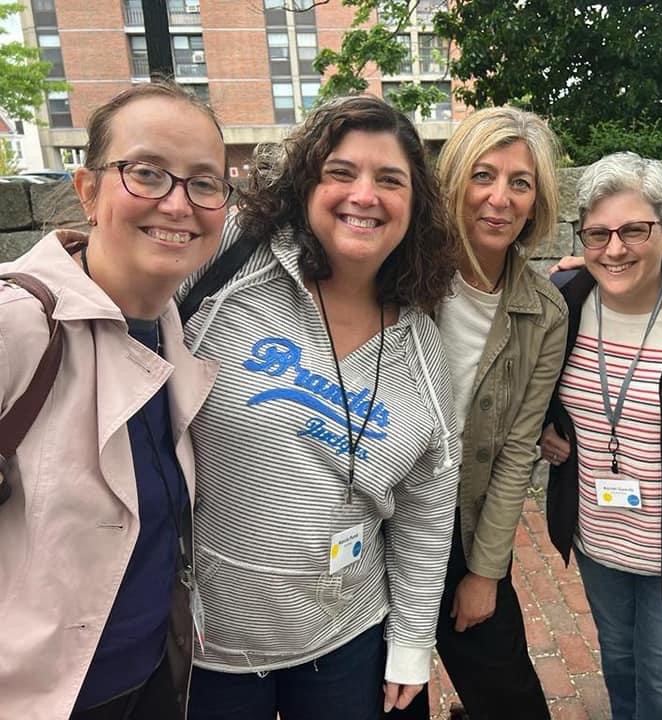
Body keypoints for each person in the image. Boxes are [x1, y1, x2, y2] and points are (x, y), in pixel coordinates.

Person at [180, 95, 461, 720]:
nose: (365, 194)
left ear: (414, 208)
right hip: (206, 643)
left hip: (346, 638)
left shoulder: (423, 347)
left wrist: (413, 642)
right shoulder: (227, 265)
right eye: (341, 172)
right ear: (305, 184)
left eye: (391, 180)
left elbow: (426, 507)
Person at [0, 82, 230, 719]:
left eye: (204, 183)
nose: (178, 203)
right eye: (147, 173)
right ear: (88, 190)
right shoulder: (19, 326)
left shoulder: (173, 331)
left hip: (153, 678)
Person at [389, 107, 567, 720]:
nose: (500, 198)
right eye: (483, 176)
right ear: (453, 181)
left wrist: (486, 572)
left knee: (511, 700)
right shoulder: (398, 279)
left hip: (468, 533)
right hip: (380, 535)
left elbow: (520, 447)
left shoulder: (544, 311)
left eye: (520, 182)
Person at [538, 152, 662, 719]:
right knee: (618, 662)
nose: (614, 249)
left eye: (633, 230)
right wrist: (548, 421)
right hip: (597, 537)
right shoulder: (564, 301)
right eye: (598, 234)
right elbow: (534, 375)